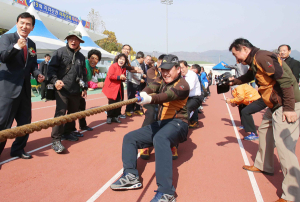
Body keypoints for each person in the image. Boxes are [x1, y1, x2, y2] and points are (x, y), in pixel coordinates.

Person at [110, 54, 190, 202]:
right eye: (163, 69)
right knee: (129, 138)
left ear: (178, 69)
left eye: (169, 70)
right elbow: (152, 86)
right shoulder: (162, 79)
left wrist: (150, 99)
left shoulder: (183, 85)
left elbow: (167, 96)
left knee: (160, 138)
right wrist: (143, 93)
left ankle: (167, 192)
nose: (165, 73)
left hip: (179, 123)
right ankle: (131, 176)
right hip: (162, 123)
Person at [229, 38, 300, 202]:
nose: (236, 59)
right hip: (274, 105)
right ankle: (264, 165)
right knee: (264, 131)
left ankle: (292, 195)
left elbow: (286, 81)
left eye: (236, 54)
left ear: (245, 49)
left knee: (285, 148)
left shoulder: (261, 57)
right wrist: (235, 81)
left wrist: (289, 108)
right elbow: (249, 76)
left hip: (286, 104)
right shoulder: (254, 60)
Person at [0, 12, 45, 158]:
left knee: (25, 123)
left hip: (25, 90)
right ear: (17, 23)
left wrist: (37, 73)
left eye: (28, 24)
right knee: (3, 123)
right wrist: (17, 47)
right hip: (8, 88)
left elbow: (32, 65)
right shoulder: (7, 38)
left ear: (32, 27)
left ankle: (18, 149)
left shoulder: (32, 44)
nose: (24, 26)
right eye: (22, 23)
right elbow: (3, 57)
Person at [47, 30, 88, 154]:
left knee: (73, 113)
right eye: (71, 38)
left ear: (80, 42)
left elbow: (83, 74)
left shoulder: (81, 57)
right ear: (67, 39)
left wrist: (84, 88)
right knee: (60, 114)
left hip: (76, 91)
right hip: (62, 90)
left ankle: (68, 132)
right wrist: (55, 81)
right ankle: (56, 140)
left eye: (76, 39)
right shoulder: (59, 52)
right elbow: (51, 70)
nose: (73, 41)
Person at [69, 49, 103, 134]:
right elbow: (81, 78)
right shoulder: (85, 65)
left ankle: (83, 125)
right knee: (73, 110)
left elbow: (86, 80)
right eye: (92, 58)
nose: (94, 60)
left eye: (96, 59)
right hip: (75, 90)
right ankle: (71, 129)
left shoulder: (93, 68)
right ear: (88, 58)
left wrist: (84, 89)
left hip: (81, 89)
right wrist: (96, 85)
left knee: (82, 108)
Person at [139, 54, 165, 160]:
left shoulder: (173, 73)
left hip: (166, 99)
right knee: (150, 115)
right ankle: (144, 144)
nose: (163, 66)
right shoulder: (151, 71)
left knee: (172, 116)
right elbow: (153, 86)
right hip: (151, 99)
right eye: (161, 63)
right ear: (158, 63)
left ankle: (173, 145)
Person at [113, 44, 144, 118]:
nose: (126, 50)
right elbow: (116, 68)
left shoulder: (127, 59)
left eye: (128, 49)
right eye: (125, 49)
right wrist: (135, 69)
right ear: (122, 49)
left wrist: (136, 70)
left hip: (121, 81)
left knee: (121, 98)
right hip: (116, 80)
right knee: (115, 99)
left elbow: (129, 68)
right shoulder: (117, 57)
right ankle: (111, 115)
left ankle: (118, 114)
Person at [102, 53, 129, 124]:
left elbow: (123, 77)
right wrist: (119, 77)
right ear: (117, 59)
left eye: (123, 59)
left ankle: (115, 117)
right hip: (112, 87)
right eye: (120, 59)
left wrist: (123, 78)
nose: (121, 61)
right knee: (112, 103)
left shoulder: (124, 68)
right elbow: (110, 76)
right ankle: (109, 117)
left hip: (119, 87)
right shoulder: (113, 66)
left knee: (119, 102)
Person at [180, 60, 202, 129]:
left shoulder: (192, 74)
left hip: (195, 98)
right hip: (186, 97)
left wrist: (178, 88)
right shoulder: (179, 75)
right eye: (179, 68)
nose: (181, 70)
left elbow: (190, 87)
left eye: (182, 67)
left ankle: (183, 127)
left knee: (186, 109)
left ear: (187, 67)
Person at [125, 51, 145, 117]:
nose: (143, 60)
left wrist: (143, 75)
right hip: (132, 82)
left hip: (137, 83)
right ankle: (127, 110)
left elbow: (140, 71)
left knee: (138, 96)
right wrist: (140, 79)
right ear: (140, 57)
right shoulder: (134, 63)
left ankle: (137, 109)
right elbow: (133, 73)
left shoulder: (138, 64)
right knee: (131, 97)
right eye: (143, 58)